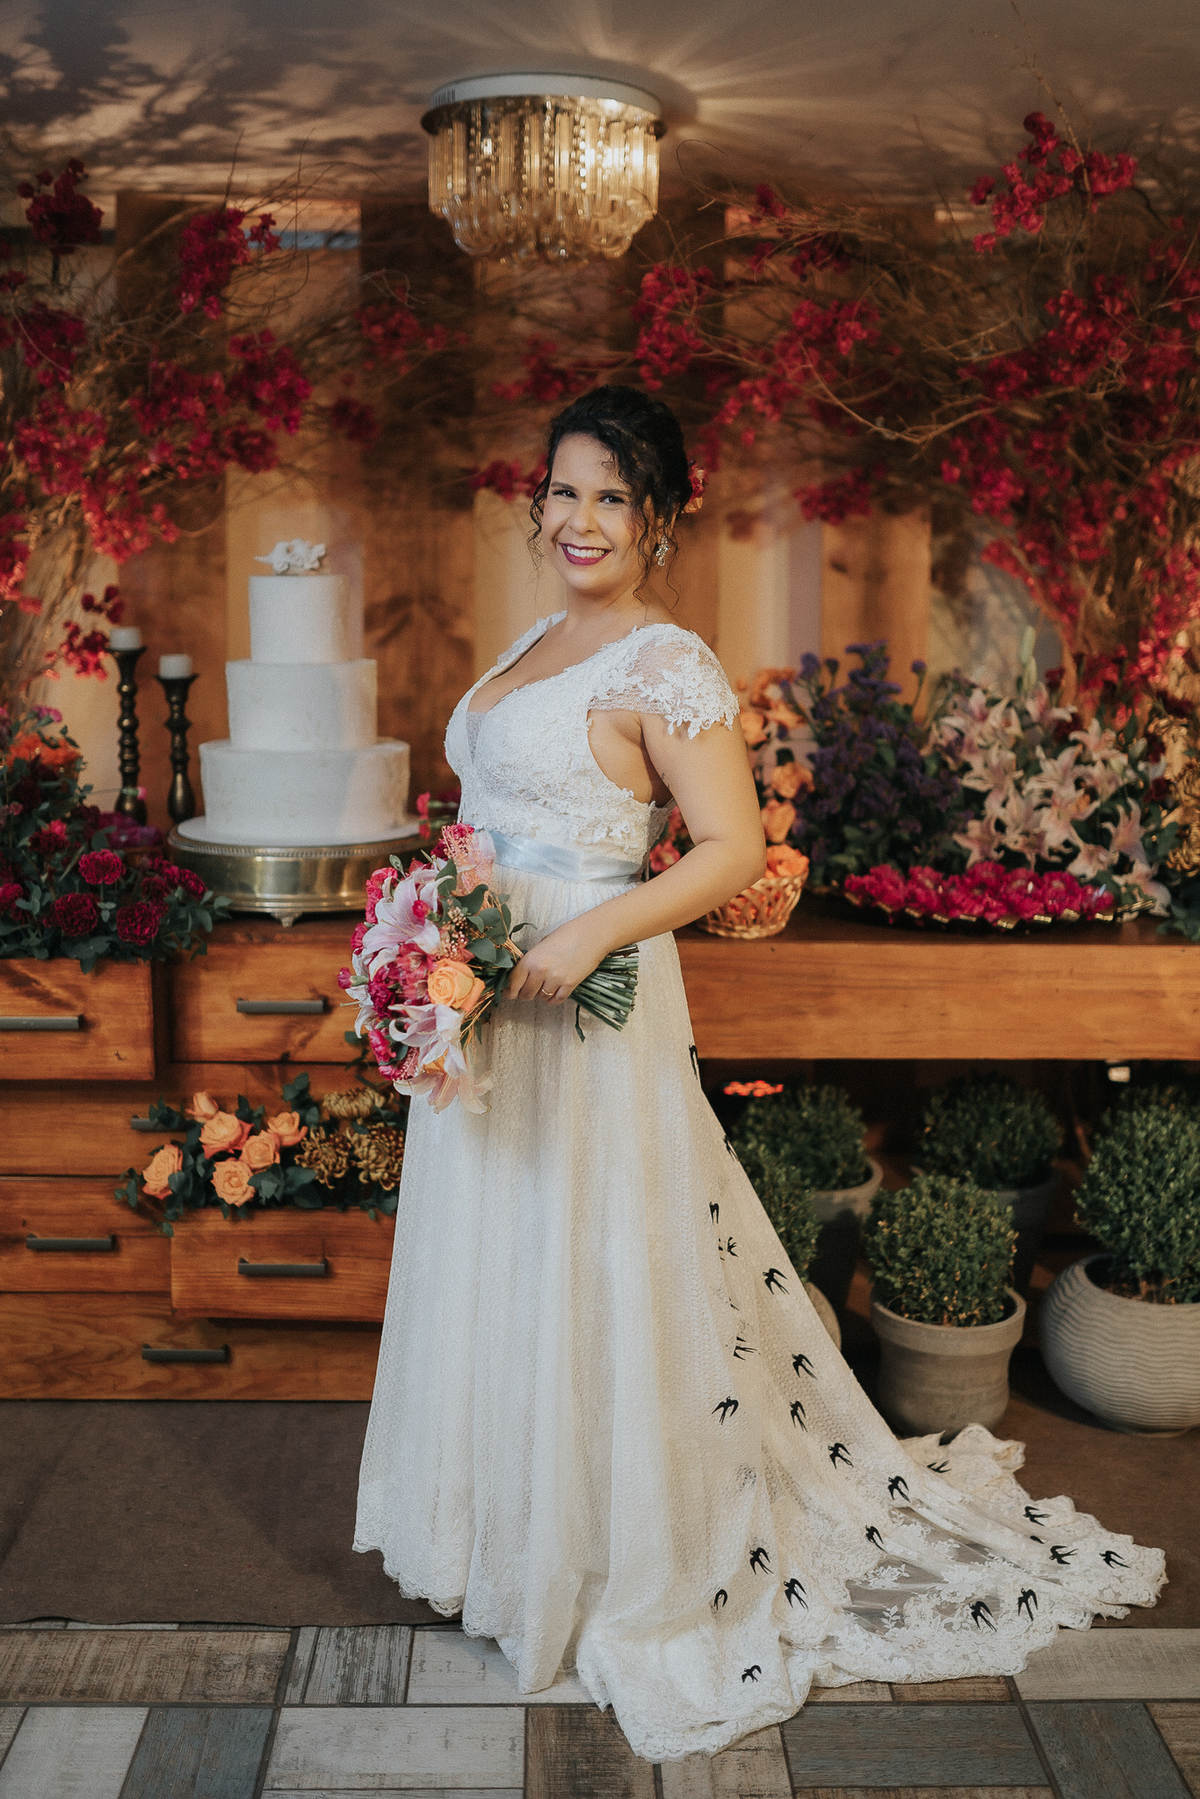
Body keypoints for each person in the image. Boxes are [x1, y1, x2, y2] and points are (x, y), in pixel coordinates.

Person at [354, 385, 1163, 1762]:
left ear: (658, 517)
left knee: (594, 1255)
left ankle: (612, 1558)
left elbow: (725, 846)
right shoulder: (542, 638)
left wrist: (592, 930)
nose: (580, 517)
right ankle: (508, 1539)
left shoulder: (665, 661)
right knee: (501, 1251)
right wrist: (430, 937)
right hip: (492, 995)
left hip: (587, 997)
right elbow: (494, 814)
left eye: (611, 496)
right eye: (562, 491)